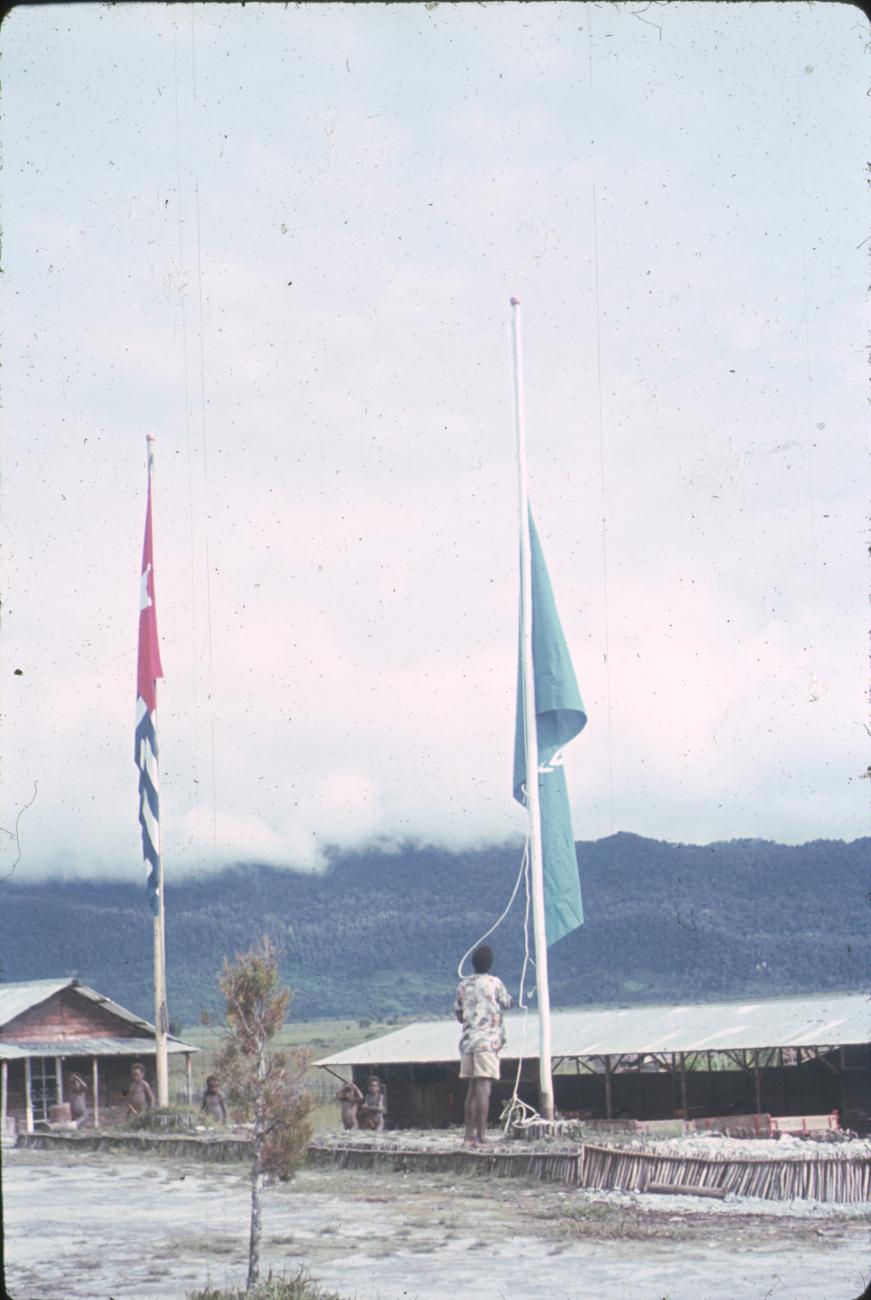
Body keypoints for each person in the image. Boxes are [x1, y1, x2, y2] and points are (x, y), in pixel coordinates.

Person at [454, 943, 512, 1148]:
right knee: (483, 1089)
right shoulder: (494, 983)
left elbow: (459, 1015)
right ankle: (482, 1136)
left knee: (471, 1088)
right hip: (487, 1042)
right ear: (490, 964)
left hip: (468, 1042)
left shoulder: (462, 985)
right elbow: (507, 1003)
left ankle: (468, 1135)